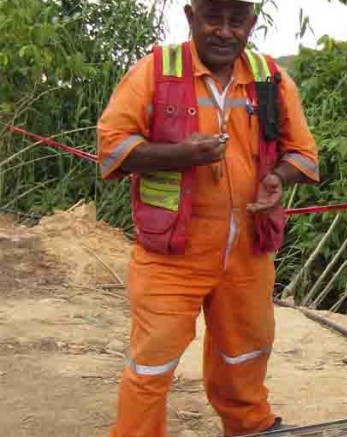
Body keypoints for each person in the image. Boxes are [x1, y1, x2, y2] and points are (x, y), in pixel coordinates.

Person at [96, 0, 319, 435]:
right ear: (190, 17)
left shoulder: (269, 78)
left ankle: (250, 426)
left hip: (248, 250)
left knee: (247, 350)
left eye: (236, 21)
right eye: (213, 18)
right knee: (153, 359)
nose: (224, 31)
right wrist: (181, 155)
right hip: (170, 254)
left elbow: (303, 155)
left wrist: (277, 177)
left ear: (251, 23)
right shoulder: (156, 72)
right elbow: (111, 149)